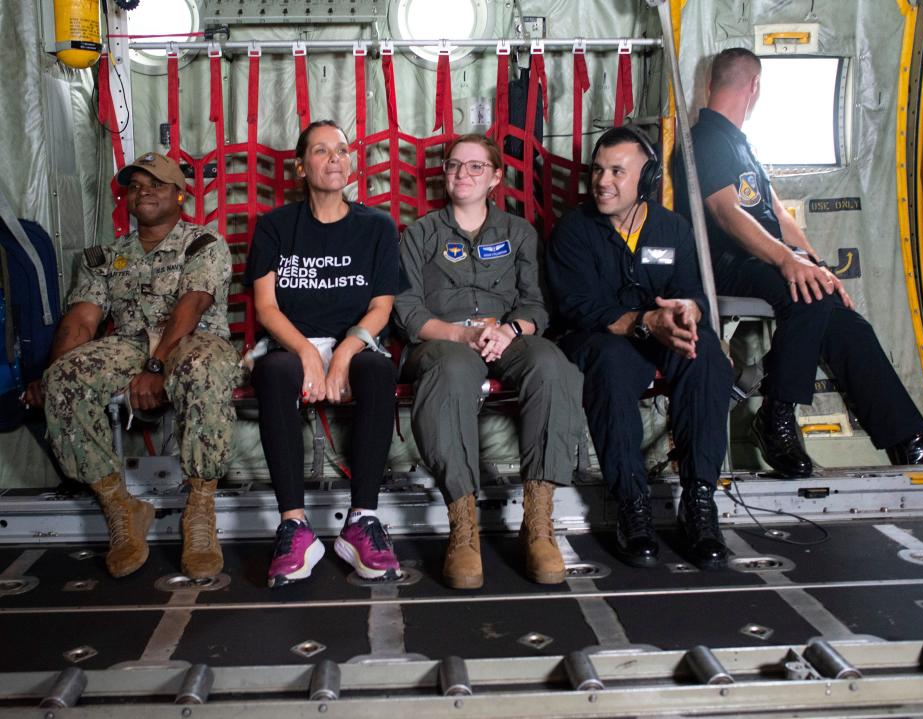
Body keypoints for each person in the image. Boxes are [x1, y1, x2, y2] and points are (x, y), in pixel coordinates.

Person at [674, 47, 923, 477]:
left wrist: (813, 262)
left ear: (714, 82)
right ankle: (777, 417)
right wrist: (788, 264)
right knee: (807, 296)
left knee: (844, 318)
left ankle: (910, 441)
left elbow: (778, 214)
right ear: (755, 87)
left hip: (763, 258)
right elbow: (725, 213)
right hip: (725, 261)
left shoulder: (740, 144)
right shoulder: (705, 139)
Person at [22, 152, 239, 579]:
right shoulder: (103, 256)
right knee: (65, 377)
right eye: (136, 186)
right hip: (129, 344)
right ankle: (121, 507)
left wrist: (156, 368)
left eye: (156, 184)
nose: (144, 192)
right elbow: (82, 321)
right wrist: (52, 377)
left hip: (194, 340)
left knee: (201, 368)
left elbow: (191, 307)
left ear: (180, 194)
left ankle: (199, 510)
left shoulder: (203, 243)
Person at [393, 134, 583, 589]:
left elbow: (537, 306)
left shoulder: (519, 233)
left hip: (507, 335)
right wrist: (462, 333)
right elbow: (408, 312)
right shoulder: (419, 234)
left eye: (476, 167)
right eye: (455, 165)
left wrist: (508, 331)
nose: (463, 174)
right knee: (452, 371)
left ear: (496, 177)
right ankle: (464, 527)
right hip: (445, 339)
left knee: (553, 366)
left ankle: (539, 524)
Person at [547, 126, 733, 570]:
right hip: (601, 339)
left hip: (660, 332)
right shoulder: (574, 230)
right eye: (598, 170)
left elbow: (693, 294)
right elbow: (579, 306)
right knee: (610, 364)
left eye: (617, 171)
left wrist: (687, 311)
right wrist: (644, 322)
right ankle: (632, 505)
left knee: (705, 354)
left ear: (646, 180)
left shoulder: (672, 228)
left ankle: (699, 501)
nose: (602, 181)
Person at [246, 120, 401, 588]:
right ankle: (295, 526)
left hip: (354, 341)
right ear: (300, 166)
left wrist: (343, 353)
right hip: (294, 342)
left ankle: (362, 521)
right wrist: (306, 354)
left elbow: (382, 306)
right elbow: (266, 306)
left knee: (377, 369)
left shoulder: (376, 226)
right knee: (274, 372)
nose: (334, 158)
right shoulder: (275, 227)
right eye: (321, 150)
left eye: (342, 150)